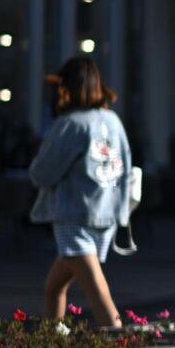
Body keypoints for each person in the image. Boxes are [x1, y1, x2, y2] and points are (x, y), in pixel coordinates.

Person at [29, 56, 131, 329]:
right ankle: (50, 344)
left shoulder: (71, 124)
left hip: (74, 216)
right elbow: (126, 167)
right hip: (106, 215)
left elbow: (42, 172)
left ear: (66, 89)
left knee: (98, 294)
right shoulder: (113, 121)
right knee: (54, 286)